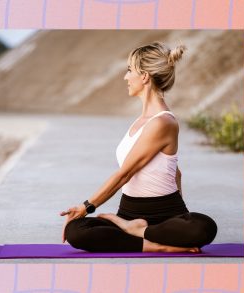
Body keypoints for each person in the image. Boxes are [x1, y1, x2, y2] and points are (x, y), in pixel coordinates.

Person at [60, 42, 217, 253]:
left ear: (144, 76)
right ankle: (153, 241)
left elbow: (125, 174)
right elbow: (175, 171)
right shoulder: (140, 121)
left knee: (204, 227)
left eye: (129, 70)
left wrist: (87, 206)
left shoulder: (163, 122)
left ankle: (137, 232)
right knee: (76, 231)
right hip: (128, 213)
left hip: (166, 214)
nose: (125, 77)